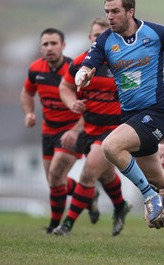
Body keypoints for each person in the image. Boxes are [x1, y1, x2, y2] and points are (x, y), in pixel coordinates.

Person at [75, 0, 164, 226]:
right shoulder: (106, 40)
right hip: (131, 118)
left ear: (130, 11)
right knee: (158, 176)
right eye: (107, 12)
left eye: (115, 11)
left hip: (156, 113)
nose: (109, 17)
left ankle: (149, 196)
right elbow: (87, 64)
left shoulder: (155, 32)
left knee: (110, 146)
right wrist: (83, 75)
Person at [54, 18, 132, 236]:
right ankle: (121, 206)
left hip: (115, 131)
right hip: (90, 130)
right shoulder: (80, 63)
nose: (102, 39)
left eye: (106, 35)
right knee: (106, 175)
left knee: (88, 174)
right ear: (90, 38)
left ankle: (66, 225)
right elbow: (65, 87)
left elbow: (137, 92)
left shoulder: (122, 64)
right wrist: (72, 102)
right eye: (97, 35)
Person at [20, 28, 100, 233]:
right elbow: (27, 93)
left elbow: (90, 104)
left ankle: (55, 226)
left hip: (74, 130)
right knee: (54, 181)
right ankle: (88, 195)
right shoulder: (35, 69)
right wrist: (29, 113)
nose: (49, 48)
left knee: (56, 174)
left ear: (63, 46)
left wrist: (76, 130)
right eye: (45, 44)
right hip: (48, 130)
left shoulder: (75, 69)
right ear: (41, 48)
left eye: (53, 43)